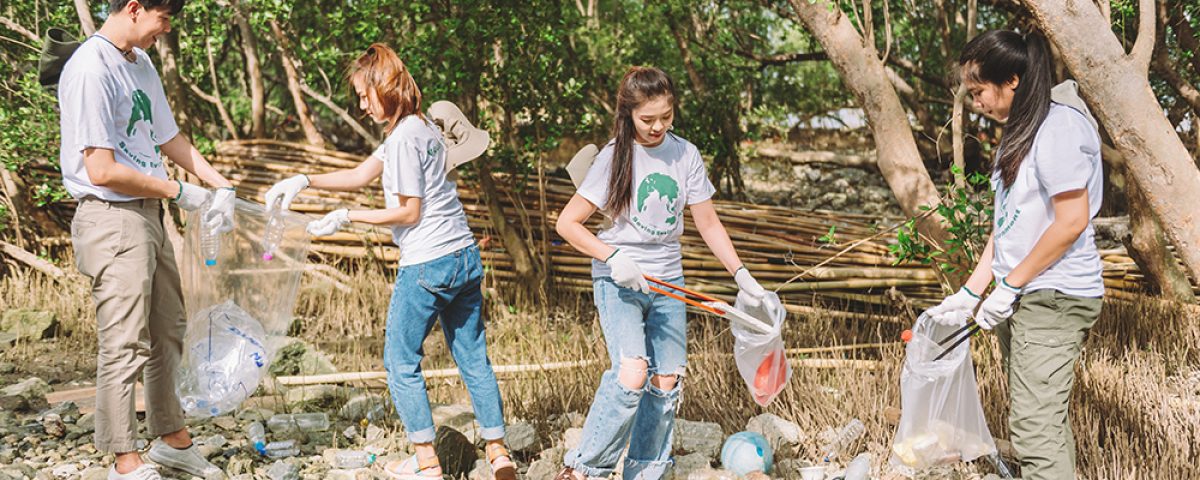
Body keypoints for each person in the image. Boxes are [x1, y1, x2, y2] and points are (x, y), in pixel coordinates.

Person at [264, 43, 515, 480]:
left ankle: (426, 462)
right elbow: (359, 175)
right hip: (464, 255)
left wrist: (349, 216)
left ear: (385, 86)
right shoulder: (421, 127)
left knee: (400, 363)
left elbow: (408, 213)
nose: (361, 104)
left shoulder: (402, 140)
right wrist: (303, 180)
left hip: (428, 263)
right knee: (473, 357)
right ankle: (498, 453)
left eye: (364, 94)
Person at [553, 66, 772, 480]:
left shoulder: (684, 154)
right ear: (628, 113)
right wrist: (613, 256)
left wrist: (741, 274)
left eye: (665, 117)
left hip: (668, 282)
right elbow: (567, 224)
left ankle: (645, 471)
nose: (657, 127)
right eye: (647, 119)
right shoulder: (612, 156)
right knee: (632, 373)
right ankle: (583, 469)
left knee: (666, 381)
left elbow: (707, 223)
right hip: (619, 281)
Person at [56, 1, 236, 478]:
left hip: (150, 215)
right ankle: (124, 459)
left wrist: (220, 187)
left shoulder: (141, 62)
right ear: (134, 9)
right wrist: (179, 191)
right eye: (165, 18)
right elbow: (101, 168)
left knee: (168, 330)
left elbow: (168, 137)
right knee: (124, 340)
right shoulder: (91, 69)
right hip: (111, 217)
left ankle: (172, 439)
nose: (167, 29)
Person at [926, 30, 1105, 480]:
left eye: (979, 91)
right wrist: (972, 290)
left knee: (1032, 430)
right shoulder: (1019, 132)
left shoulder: (1059, 127)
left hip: (1054, 294)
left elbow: (1071, 221)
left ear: (1014, 80)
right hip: (1025, 291)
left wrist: (1008, 286)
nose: (976, 102)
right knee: (1044, 423)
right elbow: (1008, 226)